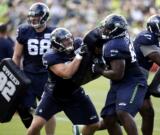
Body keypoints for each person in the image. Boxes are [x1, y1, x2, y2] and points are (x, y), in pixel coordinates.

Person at [27, 27, 100, 135]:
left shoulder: (78, 43)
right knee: (35, 126)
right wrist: (79, 55)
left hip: (74, 92)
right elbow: (67, 73)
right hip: (54, 95)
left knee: (94, 124)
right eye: (65, 40)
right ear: (56, 43)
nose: (69, 41)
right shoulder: (50, 56)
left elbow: (94, 46)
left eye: (69, 38)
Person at [92, 14, 148, 135]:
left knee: (122, 112)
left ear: (115, 29)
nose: (104, 30)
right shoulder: (121, 37)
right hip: (121, 83)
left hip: (132, 82)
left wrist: (99, 70)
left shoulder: (115, 44)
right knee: (108, 118)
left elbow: (117, 74)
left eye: (107, 27)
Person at [12, 2, 56, 134]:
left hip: (47, 76)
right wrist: (15, 75)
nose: (33, 19)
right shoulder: (24, 30)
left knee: (49, 111)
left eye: (36, 16)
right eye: (32, 17)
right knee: (23, 108)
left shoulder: (53, 32)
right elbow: (17, 55)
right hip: (28, 75)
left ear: (44, 17)